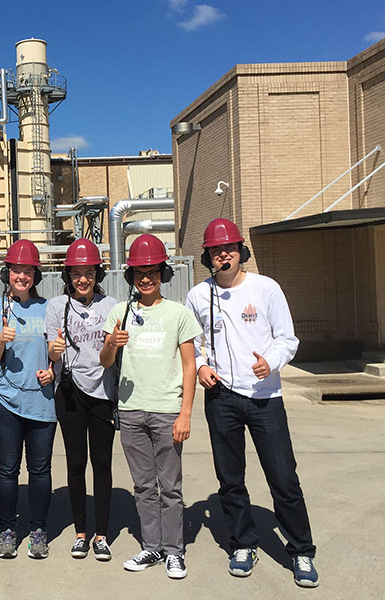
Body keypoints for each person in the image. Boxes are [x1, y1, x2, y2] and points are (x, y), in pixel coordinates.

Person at [184, 218, 318, 588]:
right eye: (214, 250)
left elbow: (287, 339)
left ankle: (302, 550)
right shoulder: (198, 296)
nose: (221, 255)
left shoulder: (265, 288)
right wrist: (201, 366)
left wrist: (269, 363)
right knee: (230, 479)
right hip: (222, 398)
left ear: (241, 251)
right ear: (207, 255)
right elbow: (191, 345)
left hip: (264, 398)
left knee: (283, 478)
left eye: (227, 249)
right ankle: (243, 543)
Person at [100, 234, 200, 580]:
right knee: (143, 485)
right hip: (130, 411)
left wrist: (185, 412)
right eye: (140, 272)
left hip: (167, 410)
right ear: (131, 276)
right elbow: (105, 361)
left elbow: (190, 366)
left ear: (162, 274)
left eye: (152, 271)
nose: (146, 278)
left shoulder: (178, 314)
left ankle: (174, 551)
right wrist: (112, 342)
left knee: (170, 486)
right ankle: (152, 546)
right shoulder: (119, 312)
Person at [0, 239, 56, 560]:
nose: (21, 276)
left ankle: (38, 531)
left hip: (42, 401)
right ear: (6, 274)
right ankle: (7, 530)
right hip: (4, 403)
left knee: (40, 470)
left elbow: (57, 352)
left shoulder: (49, 308)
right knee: (7, 469)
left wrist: (53, 370)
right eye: (16, 271)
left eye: (27, 271)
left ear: (35, 275)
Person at [45, 238, 118, 562]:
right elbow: (51, 351)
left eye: (88, 273)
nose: (83, 279)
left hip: (102, 394)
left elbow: (115, 353)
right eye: (77, 273)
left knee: (102, 464)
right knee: (75, 464)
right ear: (68, 275)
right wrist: (54, 351)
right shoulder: (55, 307)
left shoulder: (110, 306)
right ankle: (80, 532)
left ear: (97, 274)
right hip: (70, 393)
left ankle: (102, 534)